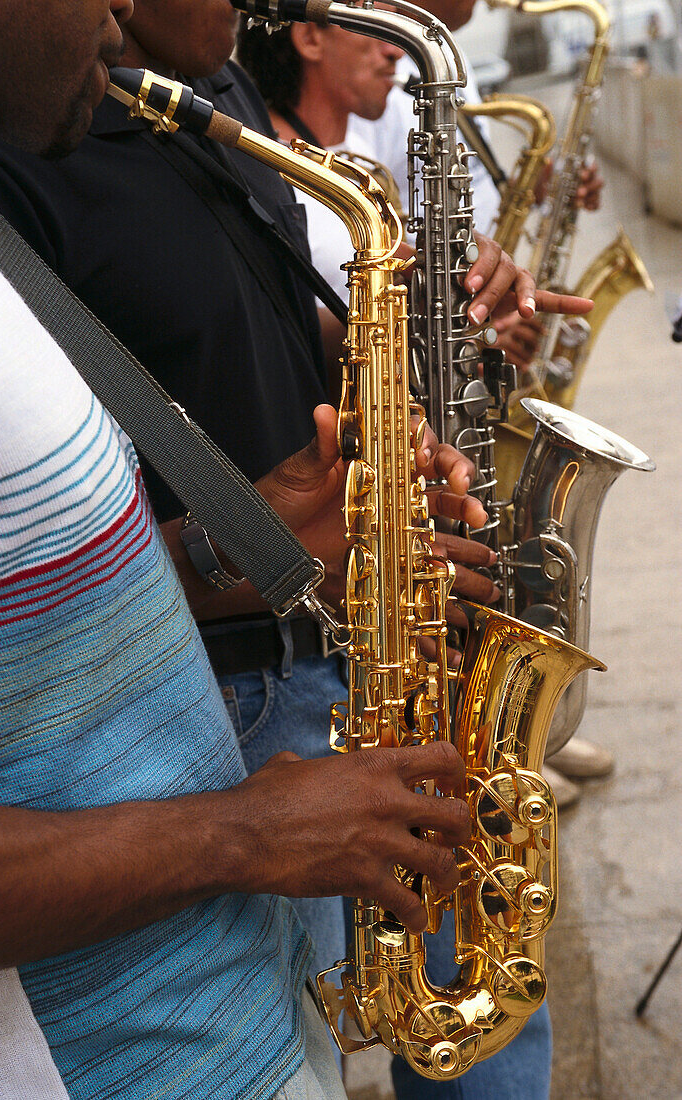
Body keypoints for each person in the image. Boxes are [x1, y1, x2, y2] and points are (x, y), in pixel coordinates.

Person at [0, 0, 565, 1006]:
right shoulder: (21, 159)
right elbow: (27, 581)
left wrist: (424, 335)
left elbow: (270, 326)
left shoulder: (216, 96)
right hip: (212, 704)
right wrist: (240, 550)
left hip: (329, 636)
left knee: (442, 964)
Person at [238, 4, 611, 811]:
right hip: (337, 528)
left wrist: (465, 305)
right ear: (305, 37)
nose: (388, 54)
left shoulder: (356, 139)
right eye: (367, 33)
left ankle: (500, 732)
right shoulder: (267, 147)